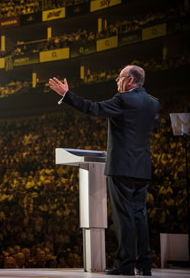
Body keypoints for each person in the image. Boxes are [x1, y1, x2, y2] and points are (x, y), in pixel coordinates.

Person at [49, 65, 160, 276]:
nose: (116, 81)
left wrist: (67, 95)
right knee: (140, 216)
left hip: (121, 168)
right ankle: (144, 265)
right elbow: (156, 125)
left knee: (124, 217)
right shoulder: (154, 103)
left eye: (119, 78)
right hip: (142, 167)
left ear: (129, 80)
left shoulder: (123, 100)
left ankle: (125, 265)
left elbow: (94, 108)